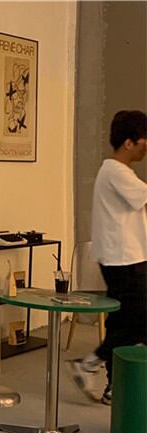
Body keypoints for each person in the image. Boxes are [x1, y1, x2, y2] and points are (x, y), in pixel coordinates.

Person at [70, 109, 147, 405]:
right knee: (137, 323)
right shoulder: (116, 171)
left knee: (121, 323)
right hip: (124, 260)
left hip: (126, 258)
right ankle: (89, 364)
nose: (145, 147)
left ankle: (113, 386)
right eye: (143, 140)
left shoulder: (118, 173)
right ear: (129, 143)